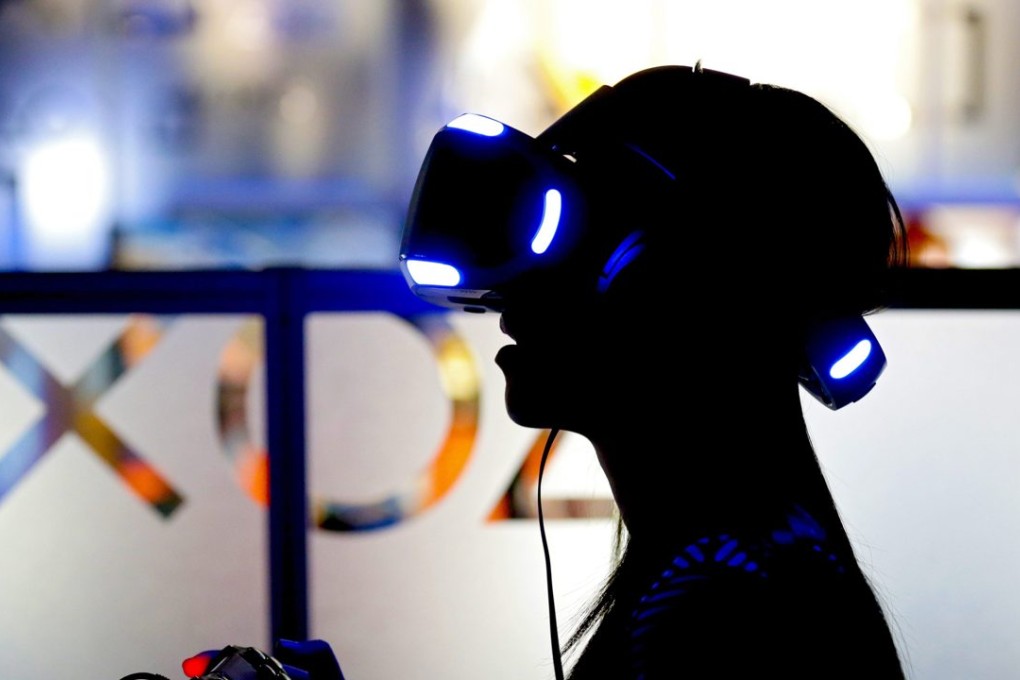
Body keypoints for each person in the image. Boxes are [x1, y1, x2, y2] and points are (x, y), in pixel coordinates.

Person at [187, 63, 910, 679]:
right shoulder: (745, 569)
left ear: (682, 288)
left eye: (564, 244)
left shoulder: (726, 611)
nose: (505, 305)